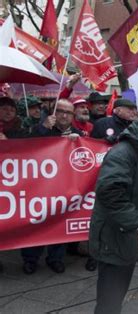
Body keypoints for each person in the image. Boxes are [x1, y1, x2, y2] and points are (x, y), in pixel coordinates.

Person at [89, 110, 138, 313]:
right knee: (109, 303)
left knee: (115, 299)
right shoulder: (123, 154)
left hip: (125, 239)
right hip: (113, 242)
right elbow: (110, 193)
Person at [21, 99, 83, 274]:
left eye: (68, 112)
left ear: (72, 116)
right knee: (35, 223)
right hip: (39, 187)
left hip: (64, 187)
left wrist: (78, 143)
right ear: (53, 112)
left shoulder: (78, 133)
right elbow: (24, 147)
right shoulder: (43, 129)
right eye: (60, 111)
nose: (64, 115)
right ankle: (30, 259)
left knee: (59, 223)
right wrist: (43, 129)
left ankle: (55, 258)